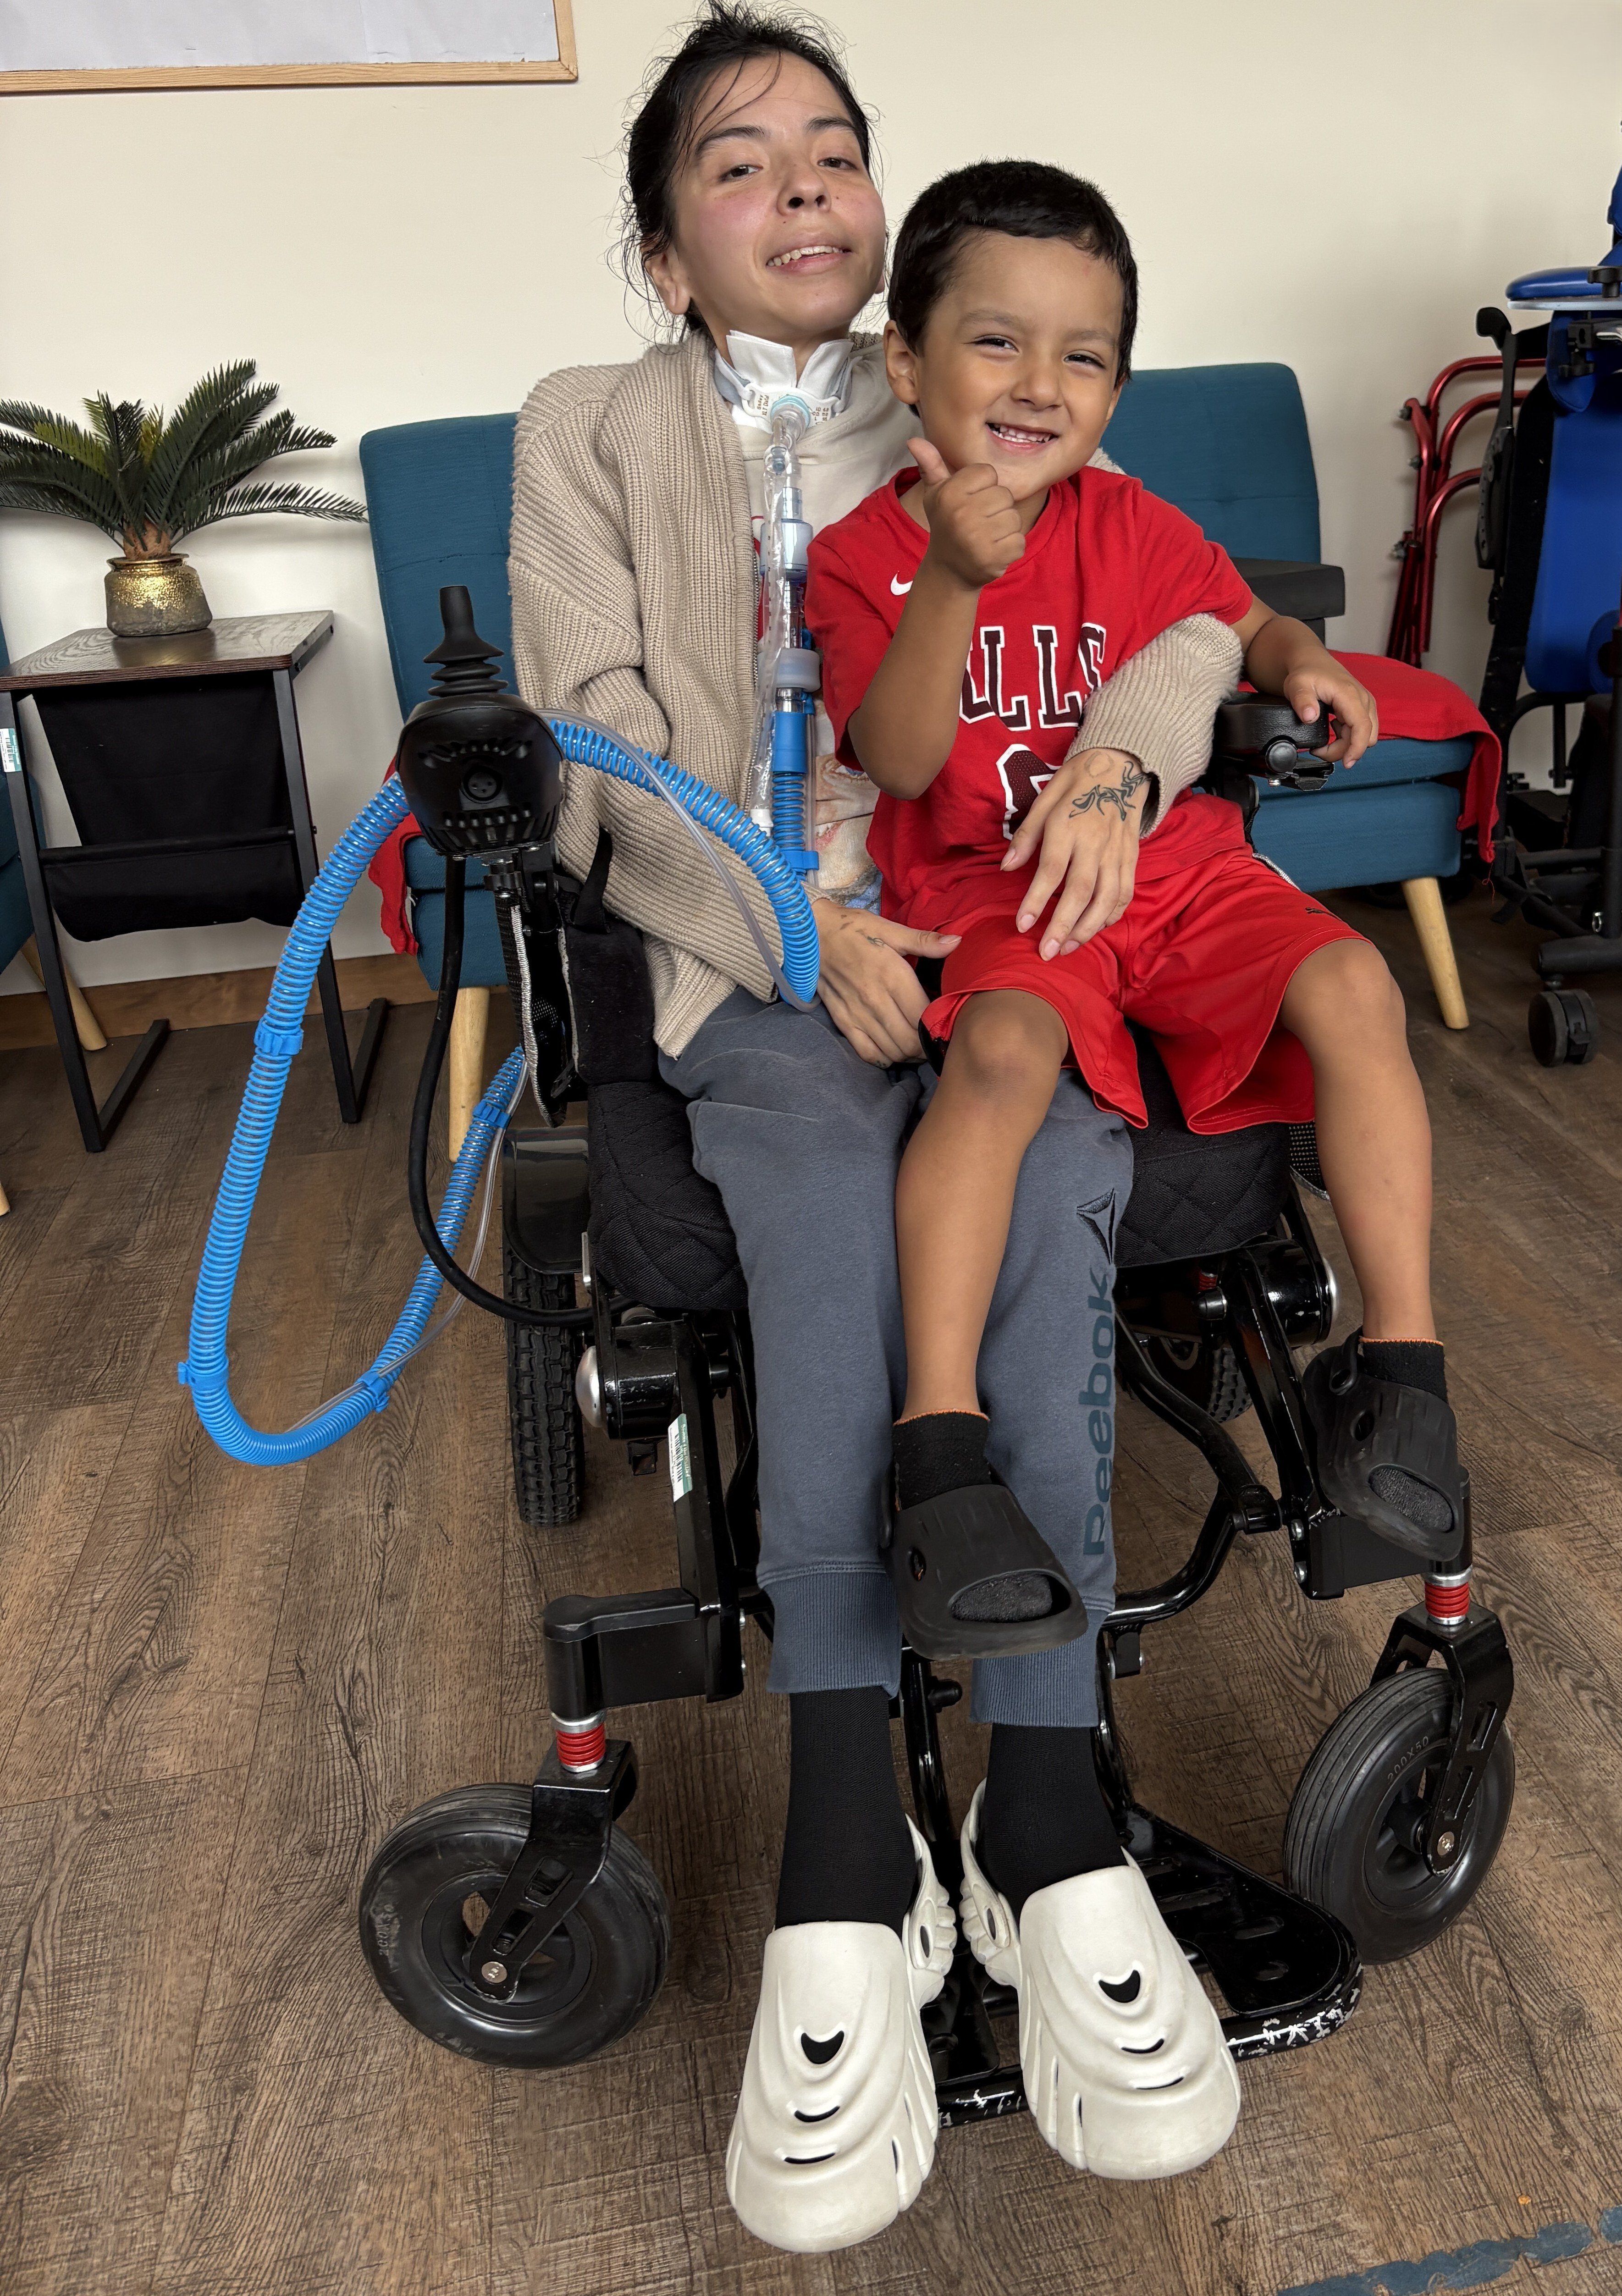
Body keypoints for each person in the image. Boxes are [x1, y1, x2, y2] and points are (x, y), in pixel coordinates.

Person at [509, 6, 1254, 2254]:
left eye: (835, 149)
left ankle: (1043, 1816)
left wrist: (1129, 749)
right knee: (831, 1196)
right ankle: (855, 1838)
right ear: (663, 250)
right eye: (742, 163)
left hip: (1011, 915)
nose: (806, 186)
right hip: (763, 955)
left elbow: (1193, 602)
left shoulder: (978, 383)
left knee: (1038, 1173)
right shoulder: (592, 429)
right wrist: (785, 919)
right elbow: (587, 734)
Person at [808, 162, 1467, 1599]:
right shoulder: (863, 555)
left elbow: (1244, 616)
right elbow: (905, 761)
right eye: (996, 341)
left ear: (1114, 390)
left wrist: (1304, 662)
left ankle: (1403, 1374)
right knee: (997, 1048)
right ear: (903, 364)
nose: (1039, 381)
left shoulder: (1133, 523)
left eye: (1084, 356)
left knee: (1356, 982)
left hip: (1174, 873)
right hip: (1002, 891)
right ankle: (939, 1441)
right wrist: (951, 582)